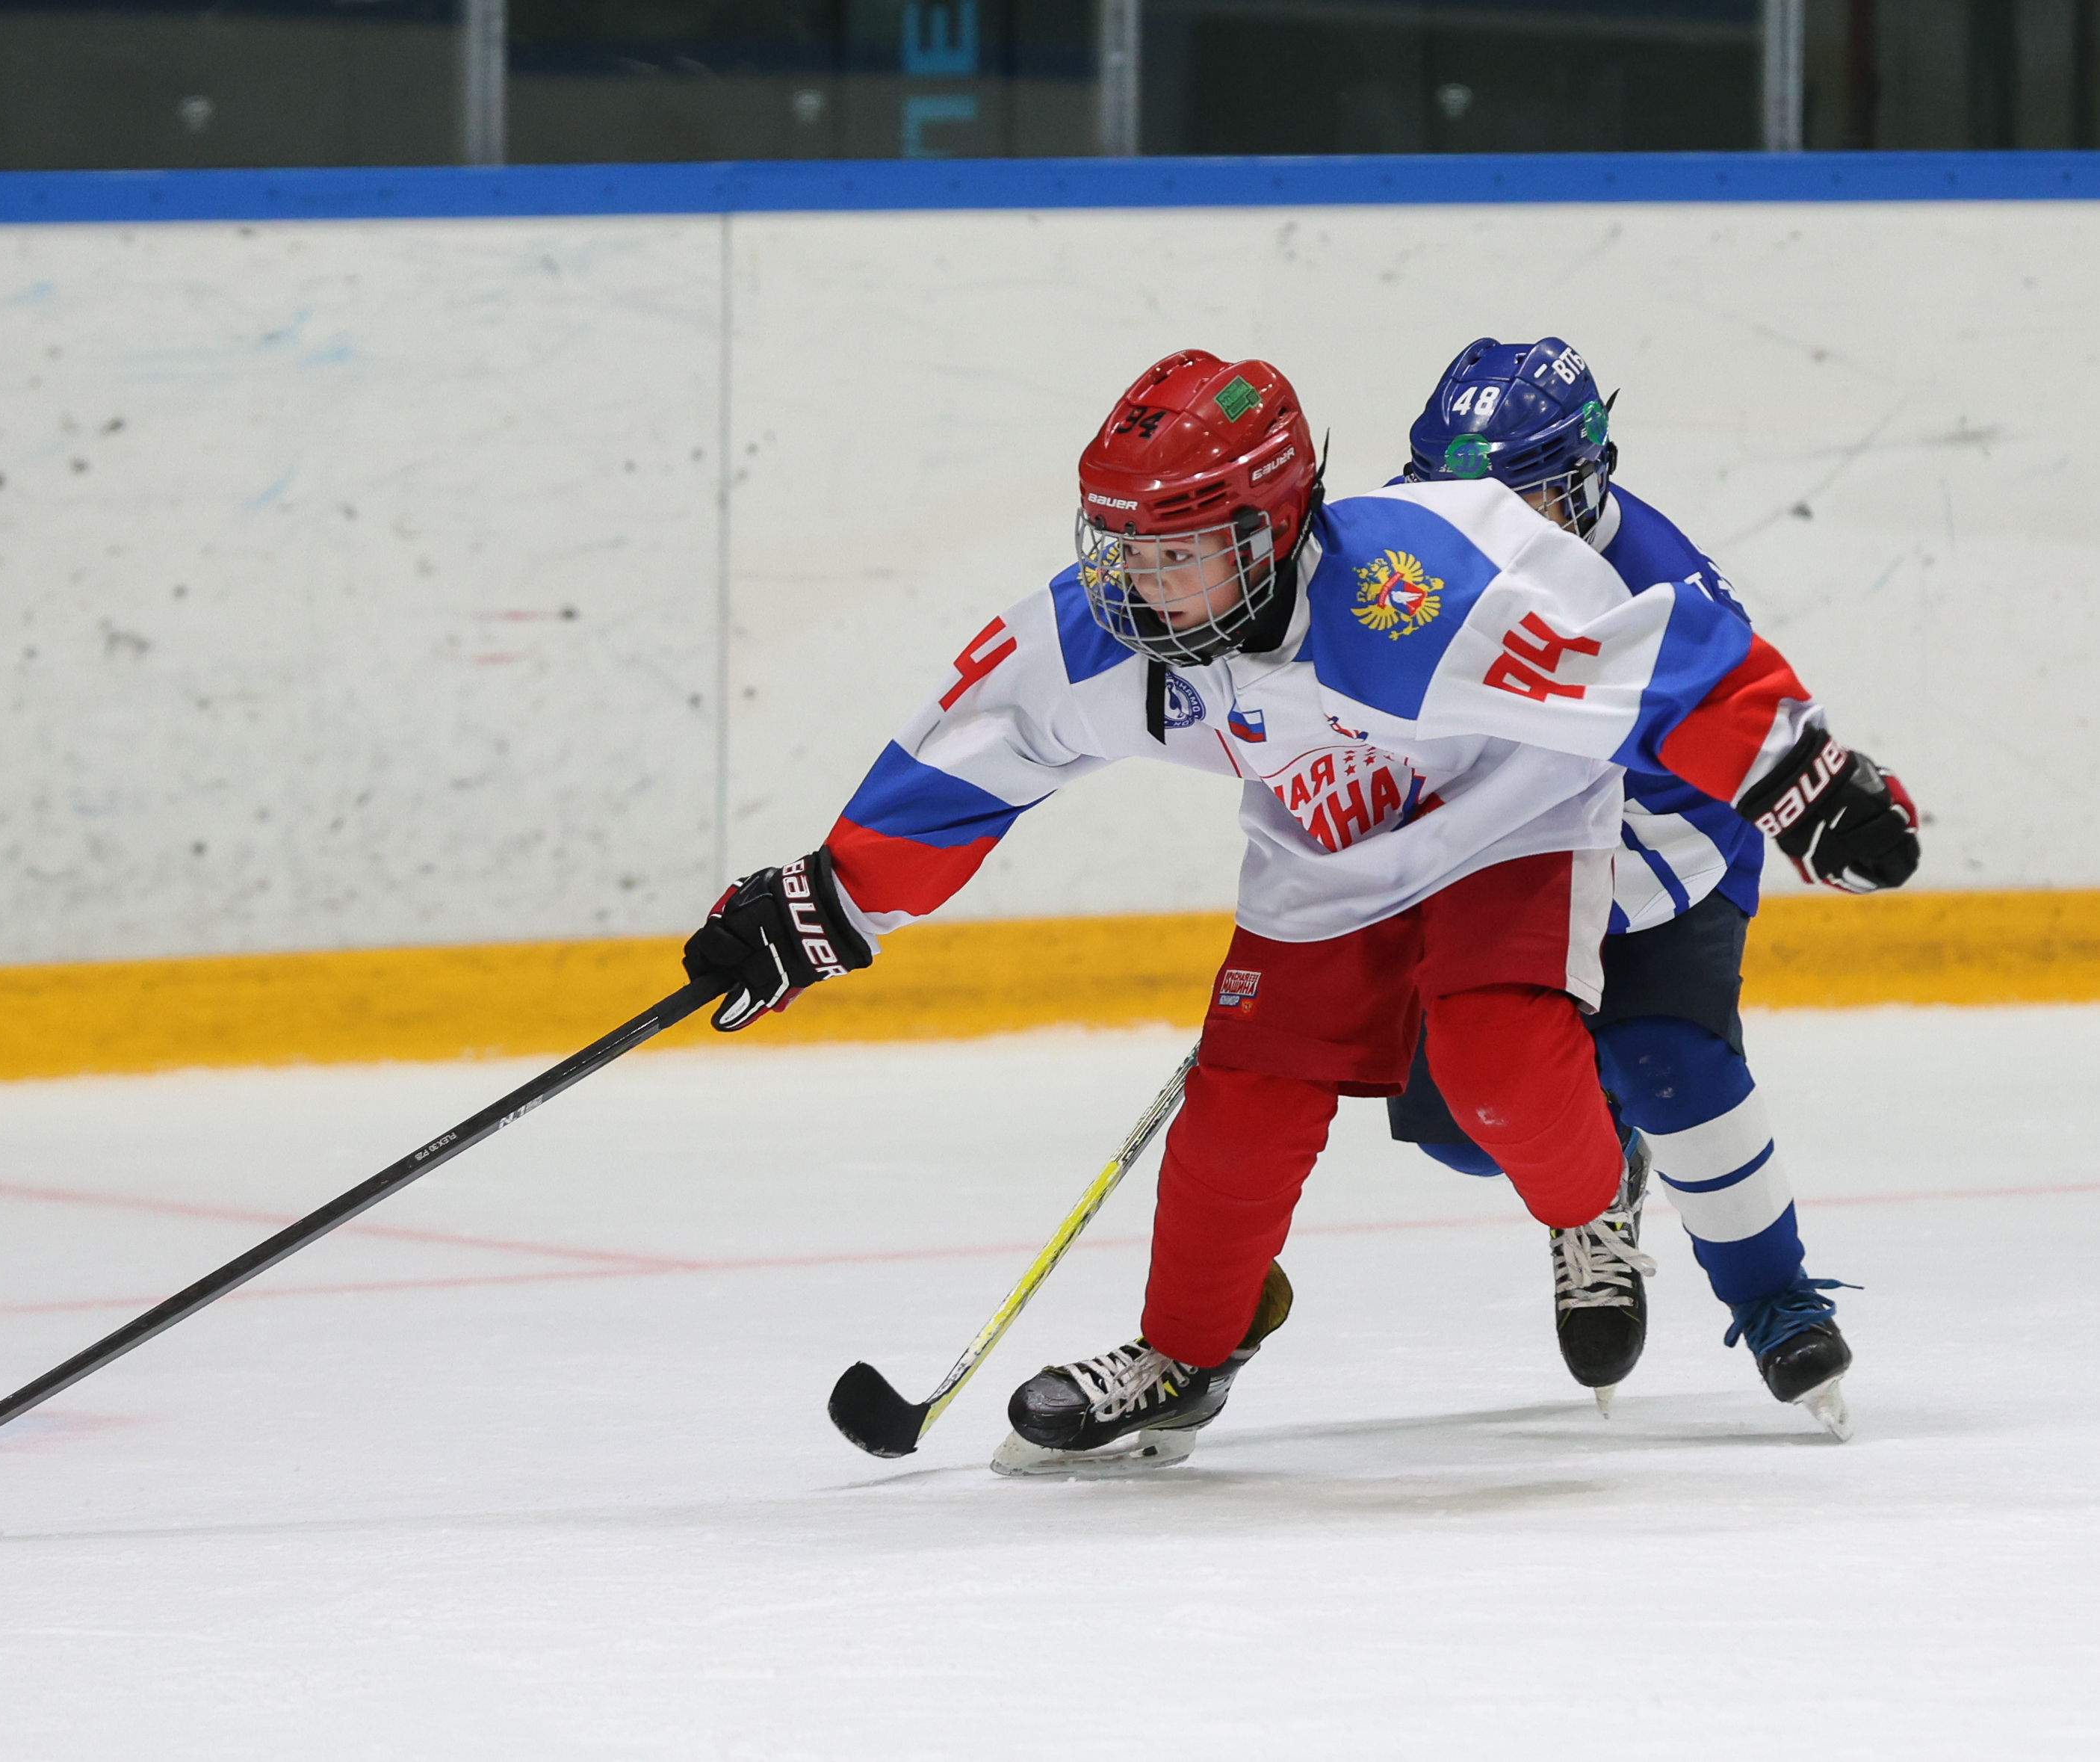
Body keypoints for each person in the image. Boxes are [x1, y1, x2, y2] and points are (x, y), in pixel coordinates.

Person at [680, 350, 1919, 1473]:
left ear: (1269, 531)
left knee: (1500, 1068)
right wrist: (826, 900)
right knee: (1241, 1107)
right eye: (1123, 551)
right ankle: (1184, 1355)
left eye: (1176, 555)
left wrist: (1805, 778)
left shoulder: (1416, 598)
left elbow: (1652, 659)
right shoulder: (1113, 634)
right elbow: (977, 746)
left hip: (1509, 818)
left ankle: (1596, 1191)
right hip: (1324, 853)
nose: (1138, 587)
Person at [1382, 338, 1915, 1433]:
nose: (1491, 529)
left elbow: (1750, 725)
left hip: (1660, 862)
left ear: (1587, 480)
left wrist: (1830, 792)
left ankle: (1775, 1299)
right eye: (1462, 499)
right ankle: (1596, 1180)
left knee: (1671, 1063)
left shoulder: (1661, 587)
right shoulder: (1395, 559)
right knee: (1465, 1125)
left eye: (1524, 501)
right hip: (1497, 870)